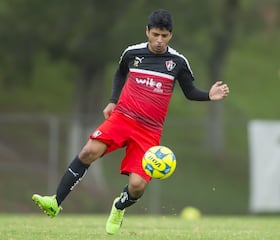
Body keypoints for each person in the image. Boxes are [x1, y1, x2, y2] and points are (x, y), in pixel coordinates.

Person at [32, 9, 230, 234]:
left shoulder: (177, 62)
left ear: (170, 35)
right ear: (147, 31)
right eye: (155, 34)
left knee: (137, 186)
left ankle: (119, 206)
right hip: (122, 118)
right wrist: (113, 101)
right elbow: (119, 73)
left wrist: (209, 95)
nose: (159, 40)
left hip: (149, 131)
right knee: (88, 151)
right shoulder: (132, 53)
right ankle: (55, 202)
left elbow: (190, 91)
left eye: (164, 36)